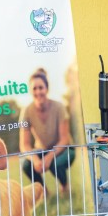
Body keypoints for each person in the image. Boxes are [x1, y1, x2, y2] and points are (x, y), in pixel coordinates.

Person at [19, 67, 75, 196]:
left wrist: (49, 157)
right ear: (30, 91)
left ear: (47, 89)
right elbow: (24, 144)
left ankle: (65, 187)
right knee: (26, 165)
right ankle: (44, 192)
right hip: (41, 150)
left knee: (55, 163)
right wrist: (35, 159)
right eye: (34, 88)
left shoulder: (59, 107)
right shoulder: (26, 112)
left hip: (64, 149)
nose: (38, 91)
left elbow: (64, 139)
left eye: (41, 87)